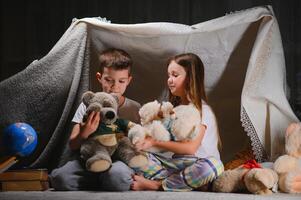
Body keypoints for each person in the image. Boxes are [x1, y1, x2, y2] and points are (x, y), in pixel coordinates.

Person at [50, 48, 141, 191]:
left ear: (129, 80)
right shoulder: (88, 106)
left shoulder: (134, 108)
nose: (115, 86)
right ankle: (99, 178)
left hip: (117, 161)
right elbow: (73, 145)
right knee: (60, 179)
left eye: (121, 81)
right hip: (90, 158)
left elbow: (138, 140)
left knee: (118, 178)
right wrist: (85, 132)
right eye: (108, 80)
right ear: (99, 77)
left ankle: (105, 179)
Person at [131, 53, 224, 191]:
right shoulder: (173, 110)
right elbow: (164, 140)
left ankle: (158, 185)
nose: (169, 80)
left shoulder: (203, 111)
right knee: (133, 154)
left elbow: (190, 148)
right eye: (169, 75)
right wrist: (145, 141)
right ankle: (181, 182)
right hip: (176, 165)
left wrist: (154, 142)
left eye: (175, 75)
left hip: (198, 164)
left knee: (214, 165)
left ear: (190, 79)